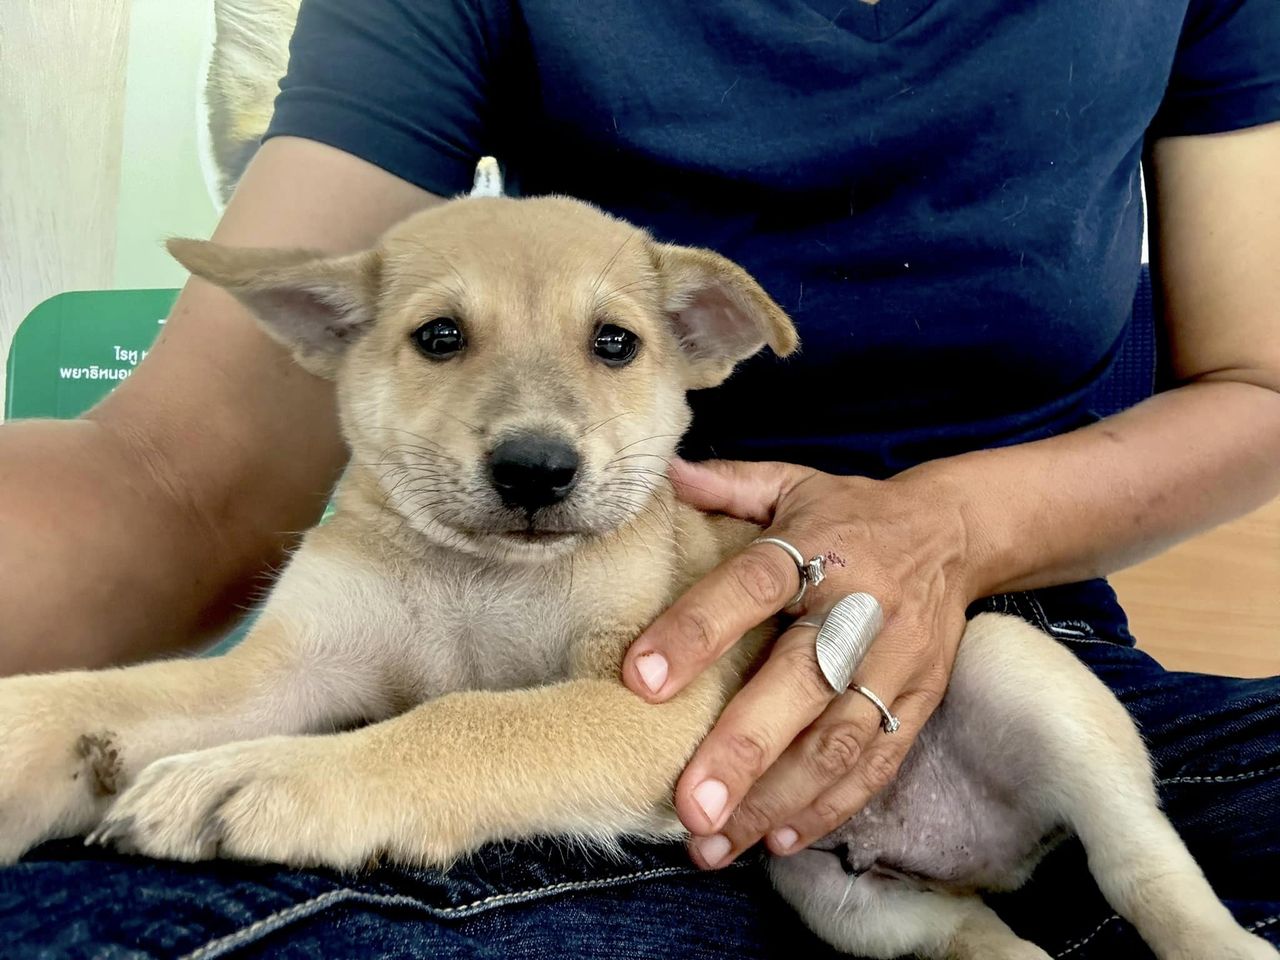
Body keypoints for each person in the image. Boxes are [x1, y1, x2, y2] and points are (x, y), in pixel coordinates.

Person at [2, 1, 1278, 956]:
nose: (532, 425)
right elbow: (171, 476)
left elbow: (1259, 386)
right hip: (713, 818)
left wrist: (948, 526)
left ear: (698, 342)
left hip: (1010, 642)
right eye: (440, 337)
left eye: (610, 344)